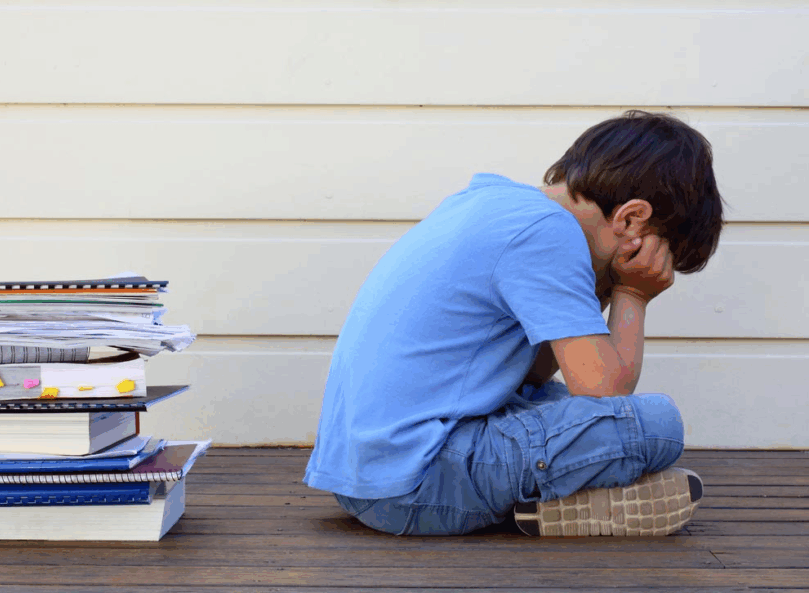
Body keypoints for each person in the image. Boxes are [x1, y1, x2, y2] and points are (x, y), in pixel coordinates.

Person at [303, 110, 725, 536]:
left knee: (558, 402)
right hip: (415, 484)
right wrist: (633, 294)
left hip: (366, 473)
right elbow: (605, 391)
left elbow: (526, 378)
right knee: (656, 426)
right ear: (631, 219)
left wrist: (598, 291)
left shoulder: (494, 203)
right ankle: (576, 498)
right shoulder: (548, 234)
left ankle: (563, 502)